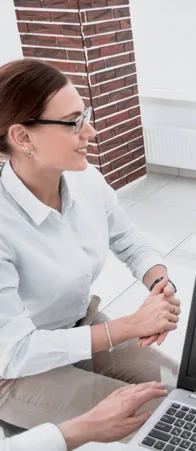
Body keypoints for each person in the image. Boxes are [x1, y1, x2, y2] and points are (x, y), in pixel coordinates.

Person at [0, 59, 181, 431]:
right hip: (14, 370)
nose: (91, 132)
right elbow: (16, 351)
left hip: (80, 326)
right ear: (22, 137)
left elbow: (129, 240)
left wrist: (159, 286)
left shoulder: (84, 180)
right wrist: (130, 325)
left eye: (86, 116)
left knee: (181, 392)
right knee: (147, 419)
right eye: (73, 123)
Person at [1, 381, 167, 451]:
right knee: (157, 416)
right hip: (12, 371)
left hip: (74, 325)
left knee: (176, 390)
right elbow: (18, 351)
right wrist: (89, 426)